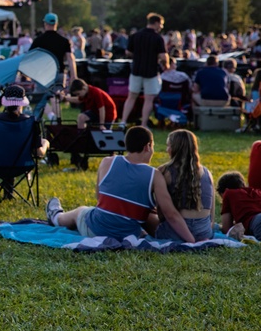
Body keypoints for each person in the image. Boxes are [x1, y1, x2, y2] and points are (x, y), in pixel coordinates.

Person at [45, 126, 195, 243]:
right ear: (147, 147)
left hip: (97, 229)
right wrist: (191, 241)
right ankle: (56, 216)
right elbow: (171, 214)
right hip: (128, 234)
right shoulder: (154, 175)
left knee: (83, 211)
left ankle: (56, 217)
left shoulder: (107, 162)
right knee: (87, 211)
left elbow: (100, 198)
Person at [151, 130, 214, 241]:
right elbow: (211, 213)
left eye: (168, 146)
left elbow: (162, 212)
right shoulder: (207, 172)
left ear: (174, 148)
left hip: (177, 231)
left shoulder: (164, 171)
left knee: (148, 217)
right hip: (204, 231)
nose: (167, 150)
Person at [121, 13, 167, 128]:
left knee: (131, 96)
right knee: (149, 99)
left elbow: (128, 52)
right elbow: (163, 56)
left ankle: (123, 121)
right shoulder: (157, 38)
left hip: (136, 70)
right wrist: (165, 65)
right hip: (151, 72)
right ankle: (144, 124)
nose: (161, 27)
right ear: (156, 23)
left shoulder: (135, 36)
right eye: (161, 24)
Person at [30, 13, 75, 120]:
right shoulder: (64, 41)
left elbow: (30, 57)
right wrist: (73, 75)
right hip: (60, 73)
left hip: (43, 73)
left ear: (45, 23)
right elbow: (70, 58)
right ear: (56, 24)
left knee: (40, 97)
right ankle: (57, 121)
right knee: (56, 96)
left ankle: (51, 116)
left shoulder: (39, 40)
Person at [217, 171, 261, 240]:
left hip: (258, 222)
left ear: (223, 192)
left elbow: (227, 229)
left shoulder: (228, 193)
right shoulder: (256, 192)